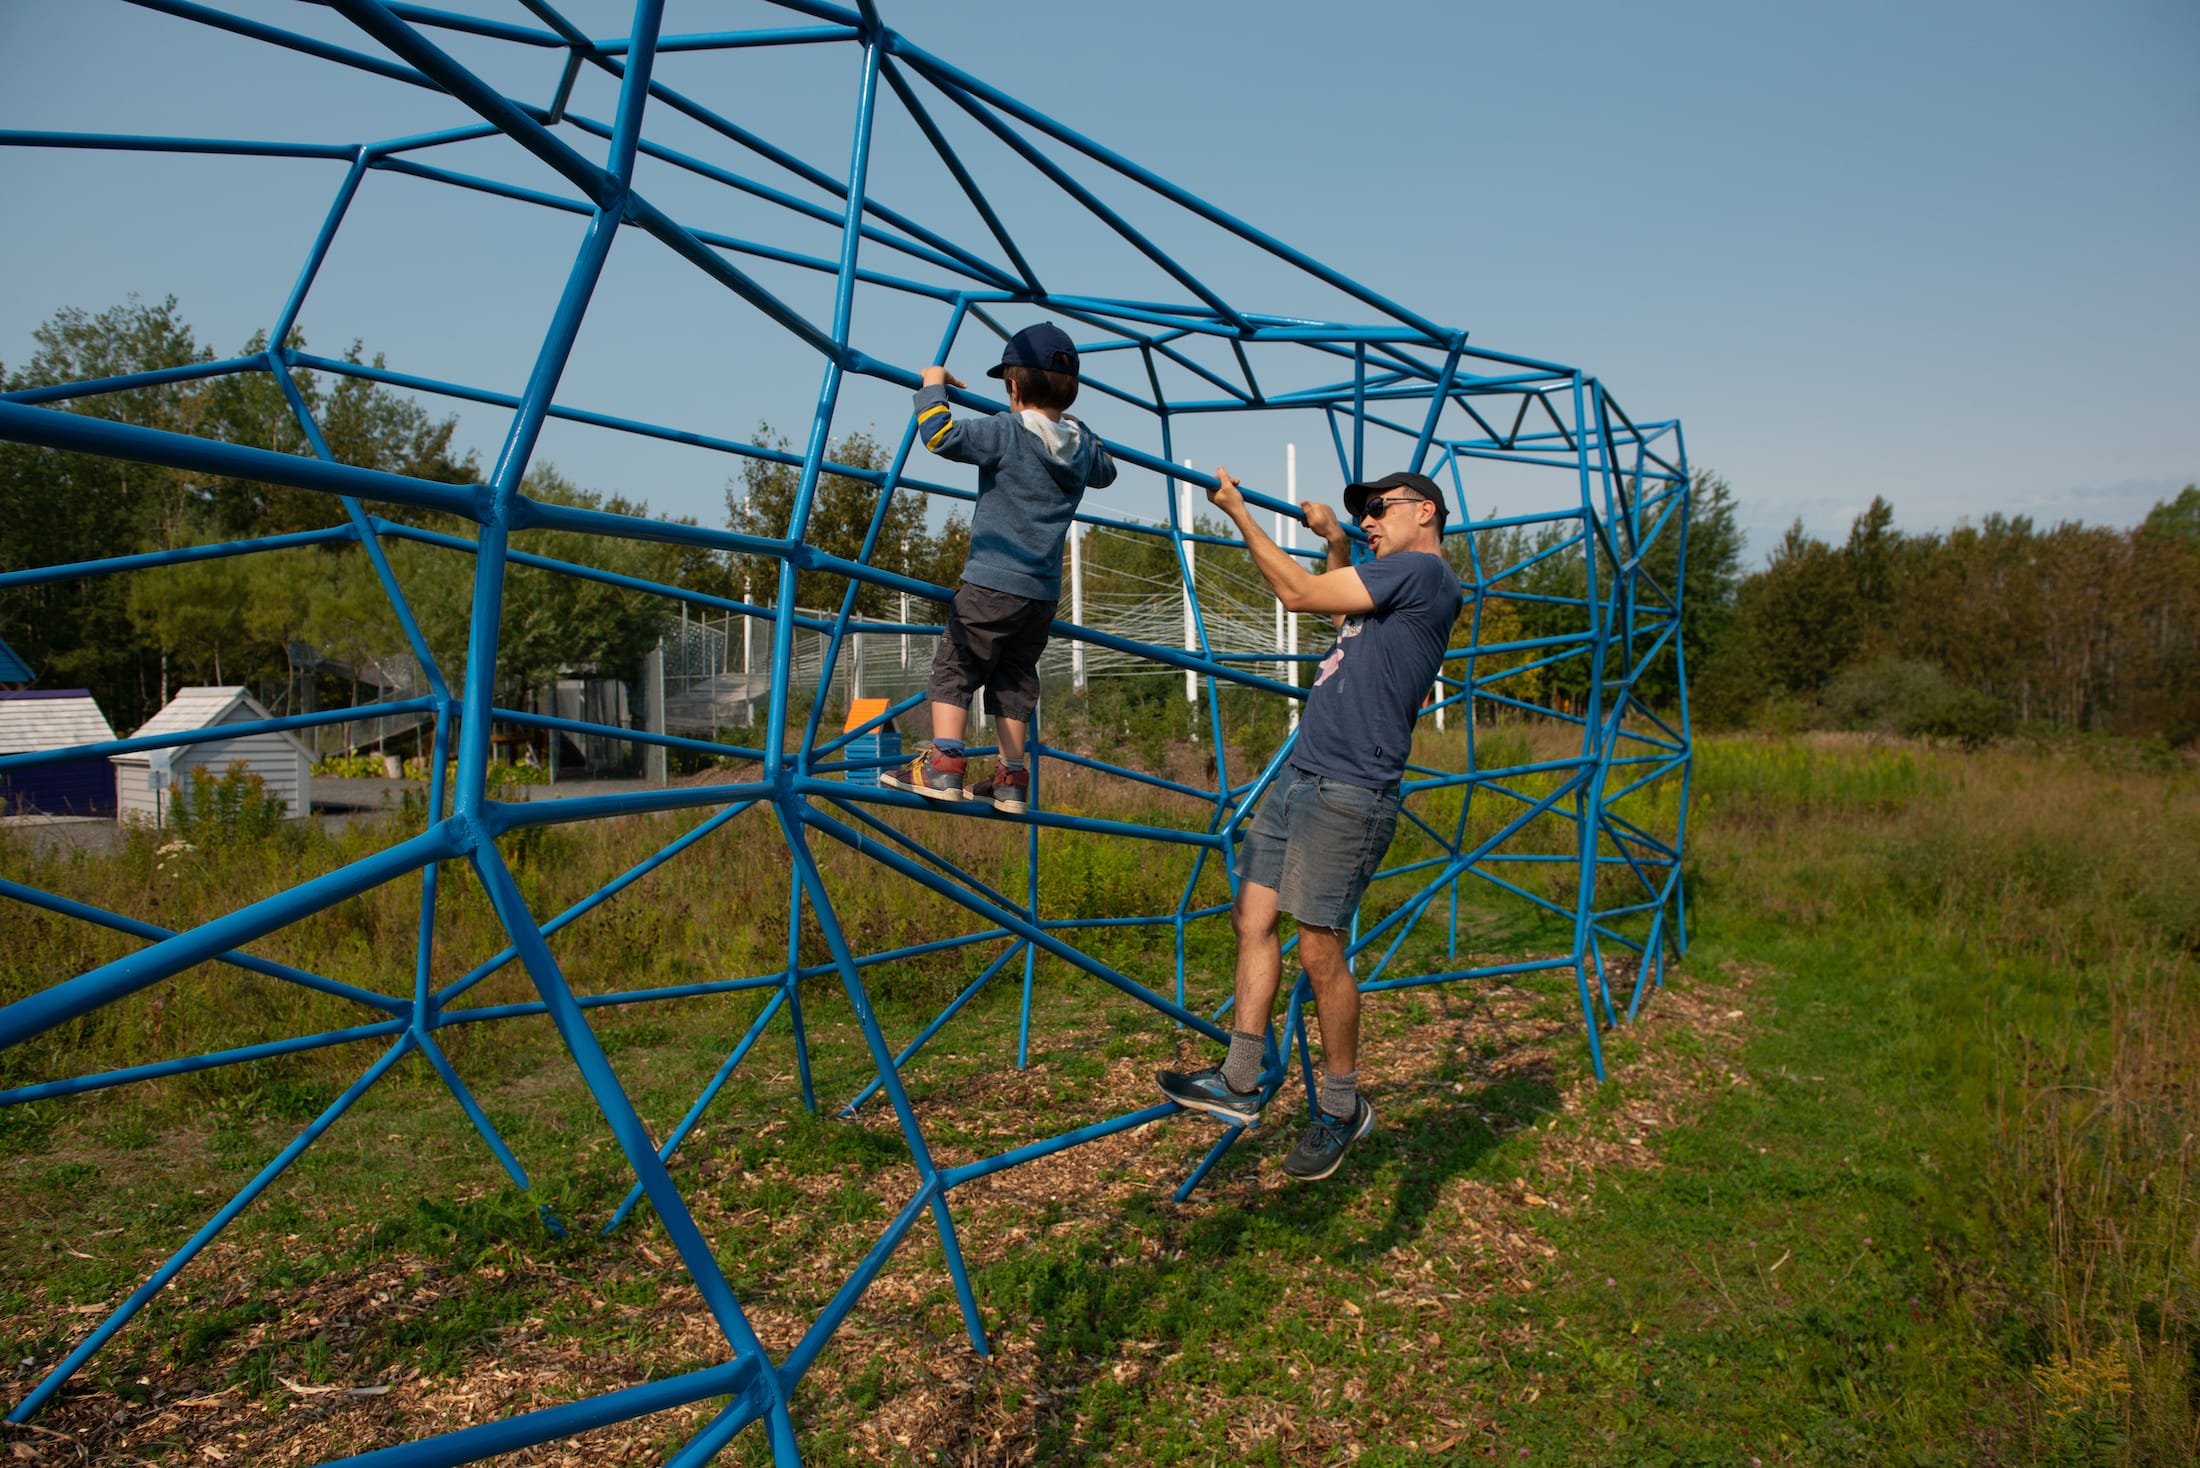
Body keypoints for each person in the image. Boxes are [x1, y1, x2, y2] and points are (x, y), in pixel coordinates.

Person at [1157, 468, 1463, 1180]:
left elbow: (1298, 597)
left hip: (1352, 789)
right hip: (1302, 774)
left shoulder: (1425, 574)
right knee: (1251, 919)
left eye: (1379, 511)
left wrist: (1237, 512)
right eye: (1362, 516)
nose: (1369, 524)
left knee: (1319, 952)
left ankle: (1341, 1107)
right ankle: (1238, 1082)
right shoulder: (1392, 580)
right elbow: (1341, 615)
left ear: (1425, 512)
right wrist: (1331, 541)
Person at [883, 323, 1117, 814]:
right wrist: (1083, 432)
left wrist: (932, 384)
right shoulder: (1081, 447)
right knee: (1013, 676)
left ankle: (944, 764)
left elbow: (941, 435)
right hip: (1040, 594)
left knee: (957, 665)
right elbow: (1108, 471)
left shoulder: (1005, 430)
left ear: (1012, 387)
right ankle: (1011, 778)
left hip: (991, 581)